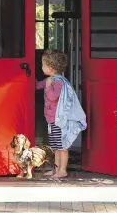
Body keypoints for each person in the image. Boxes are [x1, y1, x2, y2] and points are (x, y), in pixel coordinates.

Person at [36, 49, 86, 179]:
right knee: (56, 147)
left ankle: (62, 170)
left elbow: (53, 96)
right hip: (52, 121)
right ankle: (56, 169)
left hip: (60, 121)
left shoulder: (58, 82)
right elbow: (37, 85)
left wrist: (47, 85)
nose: (41, 67)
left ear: (50, 68)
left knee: (62, 146)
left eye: (43, 65)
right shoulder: (50, 80)